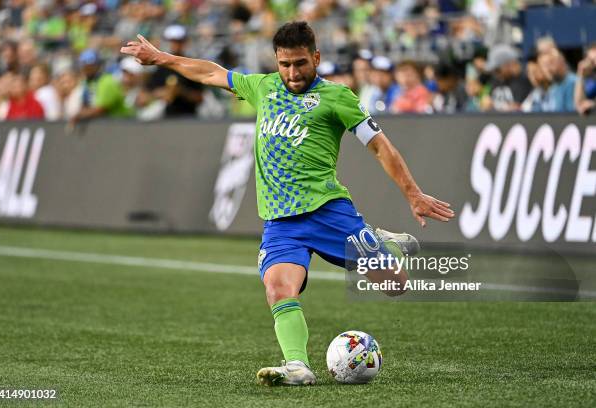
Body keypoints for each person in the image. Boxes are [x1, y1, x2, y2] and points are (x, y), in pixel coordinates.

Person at [121, 21, 454, 386]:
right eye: (285, 64)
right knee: (278, 288)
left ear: (316, 58)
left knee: (395, 285)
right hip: (280, 223)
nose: (292, 73)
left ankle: (390, 244)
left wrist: (413, 194)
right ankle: (297, 365)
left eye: (300, 63)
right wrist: (162, 58)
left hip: (328, 212)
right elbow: (211, 73)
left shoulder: (337, 97)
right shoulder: (263, 86)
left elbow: (379, 146)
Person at [145, 24, 203, 117]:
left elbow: (200, 98)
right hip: (165, 116)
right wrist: (165, 92)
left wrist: (181, 91)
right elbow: (147, 95)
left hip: (188, 116)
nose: (175, 44)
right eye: (172, 41)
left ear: (185, 42)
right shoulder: (161, 66)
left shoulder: (192, 65)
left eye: (178, 41)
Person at [485, 44, 532, 112]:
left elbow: (517, 108)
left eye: (497, 70)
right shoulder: (496, 79)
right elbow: (486, 103)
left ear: (508, 65)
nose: (496, 74)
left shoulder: (523, 80)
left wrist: (493, 105)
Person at [574, 42, 596, 115]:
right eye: (591, 61)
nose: (594, 64)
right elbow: (578, 104)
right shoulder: (589, 80)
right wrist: (580, 73)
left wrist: (593, 104)